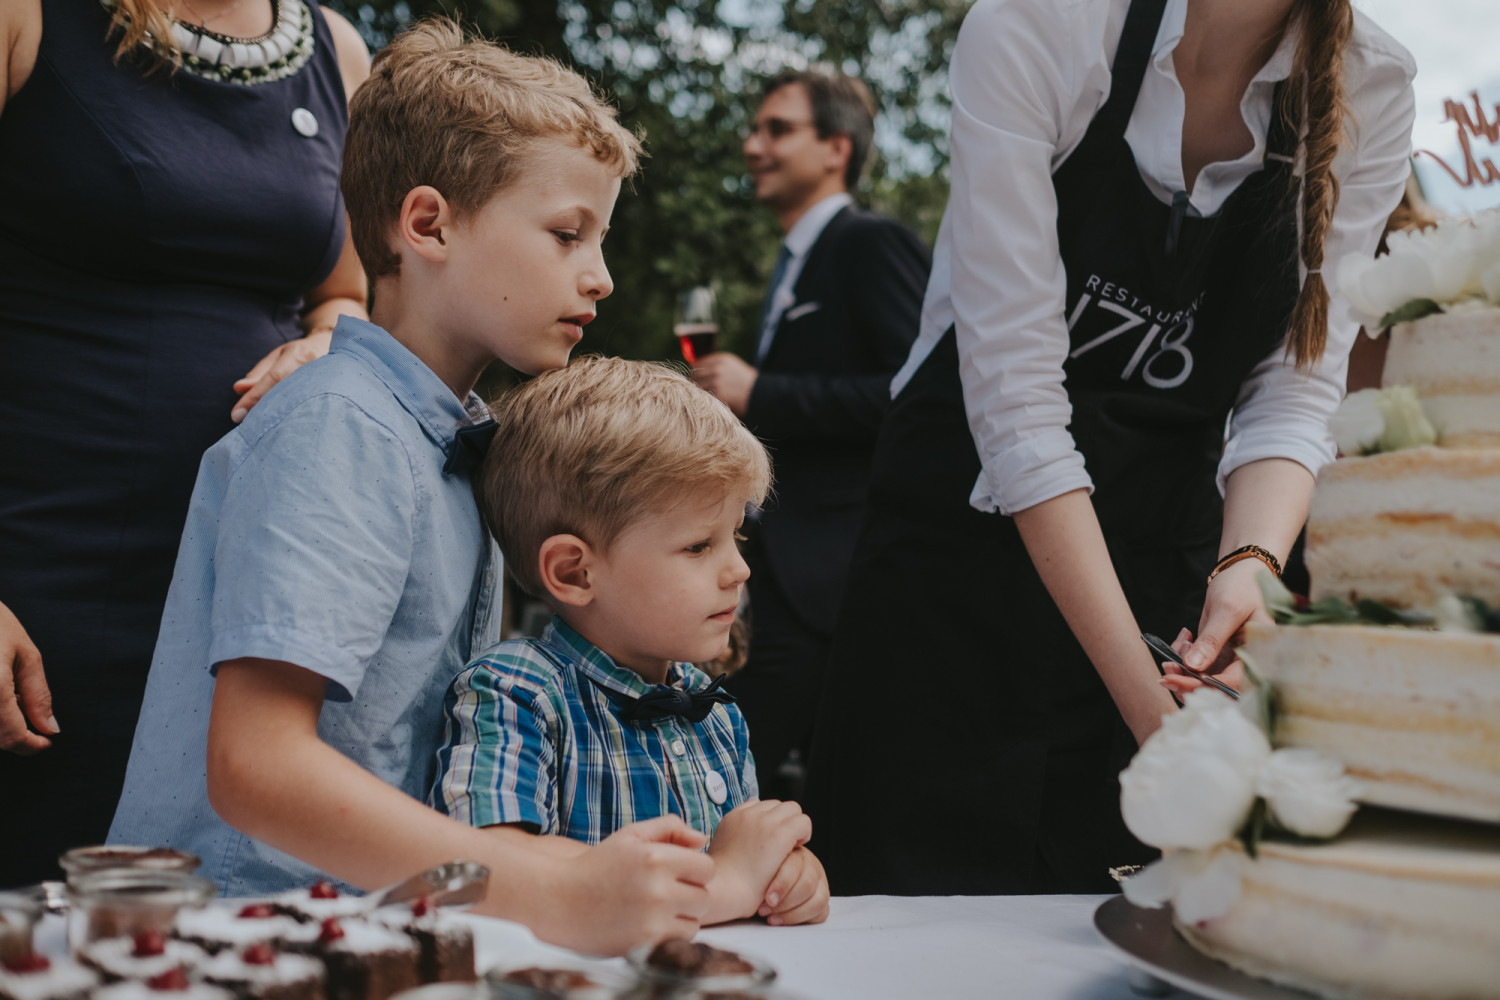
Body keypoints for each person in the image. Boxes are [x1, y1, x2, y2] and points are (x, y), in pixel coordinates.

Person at [108, 22, 718, 955]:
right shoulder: (341, 429)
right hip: (239, 937)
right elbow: (255, 768)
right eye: (567, 234)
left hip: (359, 932)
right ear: (428, 224)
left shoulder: (445, 438)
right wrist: (541, 891)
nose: (598, 277)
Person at [806, 0, 1416, 895]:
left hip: (1157, 580)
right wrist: (1150, 716)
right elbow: (1016, 406)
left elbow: (1296, 390)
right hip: (950, 581)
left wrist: (1248, 565)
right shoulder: (1037, 24)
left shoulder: (1374, 82)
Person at [0, 0, 371, 884]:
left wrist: (330, 338)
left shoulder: (338, 49)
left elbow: (347, 288)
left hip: (238, 593)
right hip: (38, 574)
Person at [432, 356, 831, 928]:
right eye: (698, 546)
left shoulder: (714, 712)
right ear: (574, 573)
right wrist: (724, 882)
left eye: (735, 536)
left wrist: (784, 877)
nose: (739, 569)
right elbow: (487, 867)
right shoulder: (517, 693)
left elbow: (746, 871)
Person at [691, 69, 930, 799]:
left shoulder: (870, 242)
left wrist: (762, 391)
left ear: (836, 148)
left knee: (740, 776)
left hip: (842, 578)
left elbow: (919, 393)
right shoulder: (794, 263)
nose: (752, 144)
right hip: (787, 571)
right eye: (755, 129)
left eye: (777, 129)